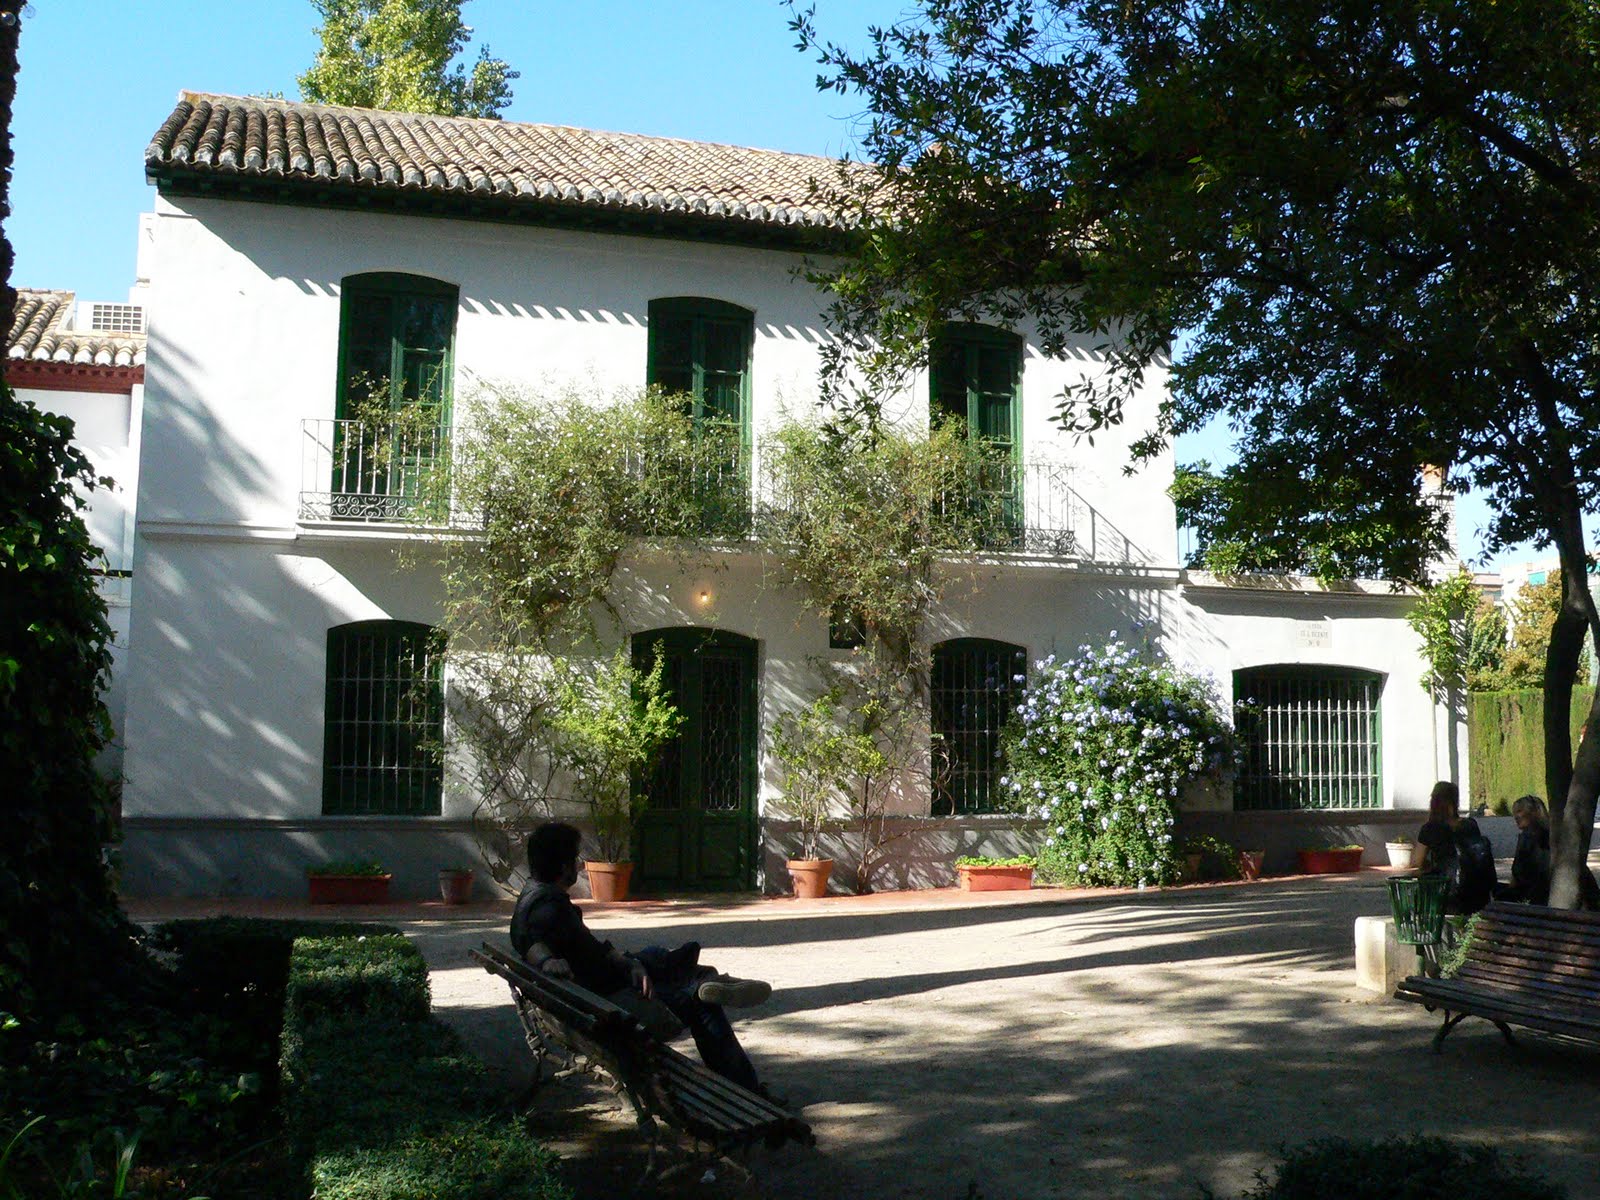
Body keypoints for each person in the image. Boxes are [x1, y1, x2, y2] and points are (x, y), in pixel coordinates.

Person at [510, 821, 770, 1090]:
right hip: (609, 1008)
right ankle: (747, 1087)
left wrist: (625, 961)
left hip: (596, 998)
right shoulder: (552, 910)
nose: (577, 865)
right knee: (700, 1003)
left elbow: (537, 940)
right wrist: (549, 960)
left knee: (653, 957)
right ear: (564, 865)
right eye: (575, 859)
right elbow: (566, 951)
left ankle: (707, 976)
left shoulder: (532, 898)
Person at [1416, 780, 1495, 916]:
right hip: (1476, 891)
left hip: (1447, 894)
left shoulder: (1430, 829)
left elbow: (1417, 861)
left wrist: (1432, 866)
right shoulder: (1470, 824)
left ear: (1434, 802)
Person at [1493, 794, 1552, 905]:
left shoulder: (1528, 838)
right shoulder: (1550, 834)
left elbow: (1518, 875)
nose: (1516, 816)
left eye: (1519, 811)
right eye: (1514, 812)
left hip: (1530, 897)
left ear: (1533, 813)